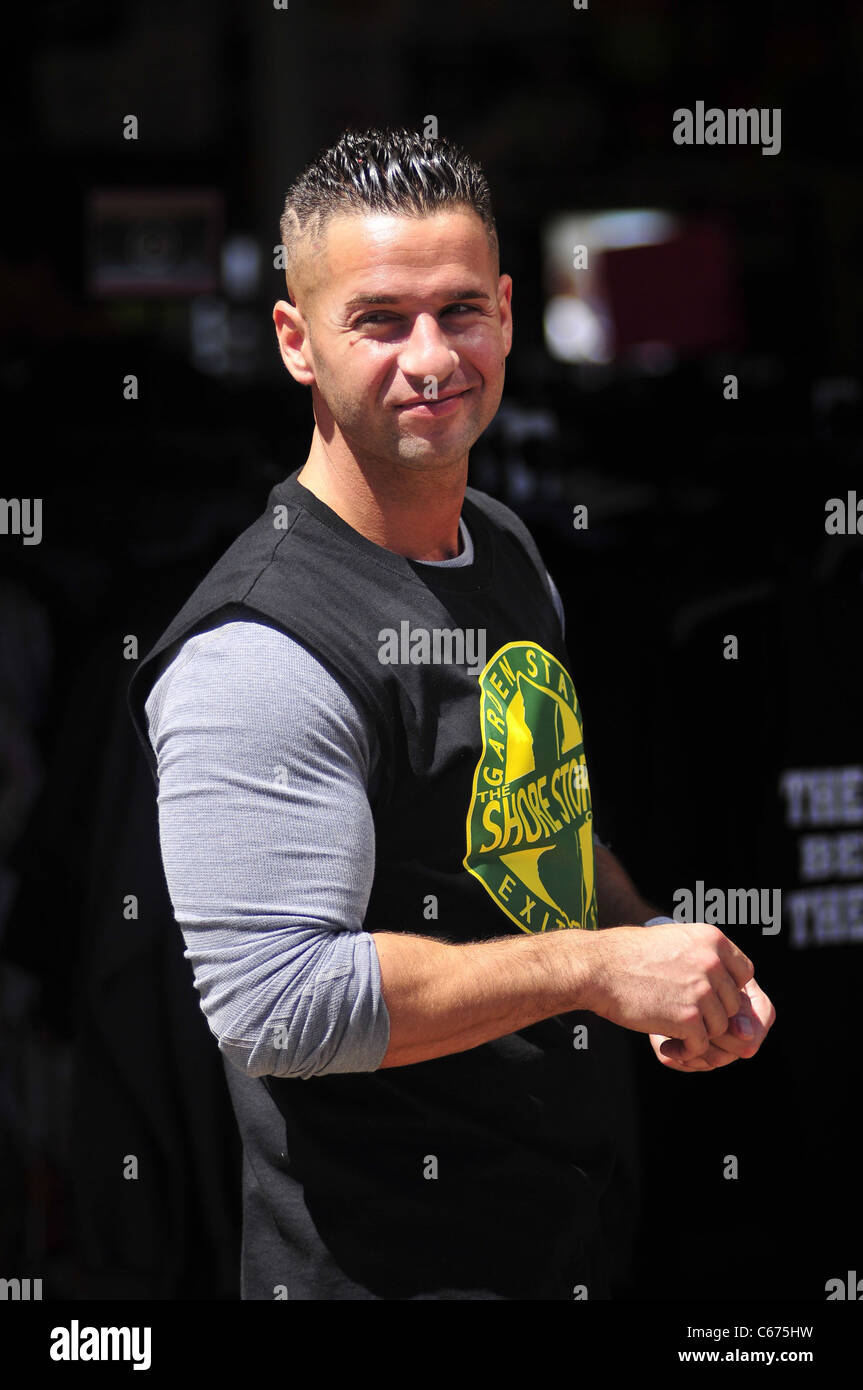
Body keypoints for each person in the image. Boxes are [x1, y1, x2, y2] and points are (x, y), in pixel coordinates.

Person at [127, 127, 776, 1301]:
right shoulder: (257, 652)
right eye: (379, 319)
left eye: (461, 311)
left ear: (511, 314)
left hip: (564, 1234)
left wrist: (667, 959)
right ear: (295, 341)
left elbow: (532, 819)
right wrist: (596, 968)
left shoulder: (508, 548)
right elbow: (278, 1004)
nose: (431, 357)